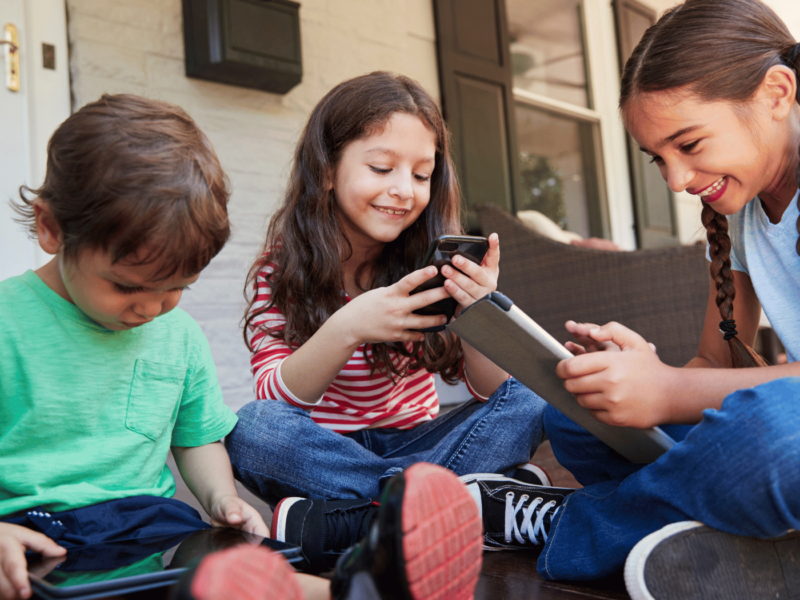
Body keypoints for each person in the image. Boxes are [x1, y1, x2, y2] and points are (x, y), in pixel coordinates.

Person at [460, 1, 800, 598]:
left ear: (776, 93)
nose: (675, 181)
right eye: (658, 159)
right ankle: (726, 539)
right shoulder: (744, 212)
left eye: (689, 144)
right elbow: (714, 368)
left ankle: (573, 524)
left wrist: (669, 392)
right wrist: (645, 376)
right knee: (576, 411)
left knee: (771, 435)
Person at [224, 71, 549, 575]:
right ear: (327, 169)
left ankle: (361, 520)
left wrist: (479, 314)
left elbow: (490, 393)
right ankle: (466, 504)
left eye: (421, 176)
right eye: (381, 168)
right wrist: (348, 325)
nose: (403, 190)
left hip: (422, 438)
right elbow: (275, 396)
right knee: (252, 429)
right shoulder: (283, 267)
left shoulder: (427, 261)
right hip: (327, 453)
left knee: (529, 394)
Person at [0, 94, 271, 600]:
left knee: (239, 581)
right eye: (127, 287)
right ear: (51, 228)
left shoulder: (180, 335)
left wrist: (221, 498)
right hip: (31, 537)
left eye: (177, 287)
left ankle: (365, 583)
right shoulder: (6, 322)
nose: (152, 308)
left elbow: (195, 438)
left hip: (146, 531)